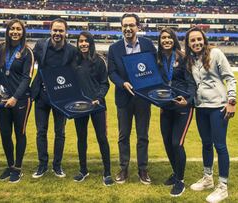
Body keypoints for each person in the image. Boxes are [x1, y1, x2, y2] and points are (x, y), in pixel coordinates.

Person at [185, 27, 237, 203]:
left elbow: (230, 78)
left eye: (199, 39)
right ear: (189, 44)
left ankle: (223, 187)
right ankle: (208, 178)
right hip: (201, 107)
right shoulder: (190, 59)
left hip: (218, 106)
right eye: (192, 40)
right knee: (206, 144)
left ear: (204, 40)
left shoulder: (216, 53)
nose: (196, 43)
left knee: (220, 146)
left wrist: (231, 101)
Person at [108, 13, 157, 184]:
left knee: (143, 135)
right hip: (123, 97)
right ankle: (124, 168)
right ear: (121, 27)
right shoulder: (114, 48)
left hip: (143, 98)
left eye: (131, 25)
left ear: (138, 27)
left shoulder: (148, 45)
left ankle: (143, 170)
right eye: (125, 26)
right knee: (124, 135)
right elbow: (112, 72)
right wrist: (123, 84)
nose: (128, 28)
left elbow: (154, 67)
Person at [31, 18, 78, 178]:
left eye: (61, 31)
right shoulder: (40, 45)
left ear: (66, 32)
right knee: (41, 132)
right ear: (50, 30)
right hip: (41, 96)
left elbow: (74, 74)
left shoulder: (72, 50)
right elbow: (29, 62)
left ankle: (57, 166)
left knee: (60, 133)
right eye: (55, 30)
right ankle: (42, 165)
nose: (57, 33)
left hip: (61, 97)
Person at [157, 27, 196, 196]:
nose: (166, 40)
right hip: (166, 107)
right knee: (167, 142)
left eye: (169, 37)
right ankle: (175, 172)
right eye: (163, 38)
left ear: (174, 39)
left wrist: (188, 100)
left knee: (176, 143)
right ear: (159, 41)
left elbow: (192, 83)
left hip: (182, 106)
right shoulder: (157, 60)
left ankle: (180, 181)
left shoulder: (184, 58)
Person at [0, 19, 34, 183]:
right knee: (5, 134)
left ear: (23, 32)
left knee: (20, 133)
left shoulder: (27, 52)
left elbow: (27, 78)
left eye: (18, 29)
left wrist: (15, 97)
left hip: (21, 100)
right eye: (12, 29)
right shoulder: (1, 49)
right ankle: (10, 165)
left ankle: (17, 168)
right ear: (7, 31)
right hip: (2, 100)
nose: (15, 32)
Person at [73, 31, 113, 186]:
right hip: (80, 107)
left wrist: (98, 97)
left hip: (98, 106)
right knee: (81, 138)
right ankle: (83, 170)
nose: (83, 44)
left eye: (86, 41)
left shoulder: (99, 61)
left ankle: (107, 172)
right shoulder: (74, 62)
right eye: (80, 41)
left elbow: (105, 83)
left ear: (91, 43)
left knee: (102, 138)